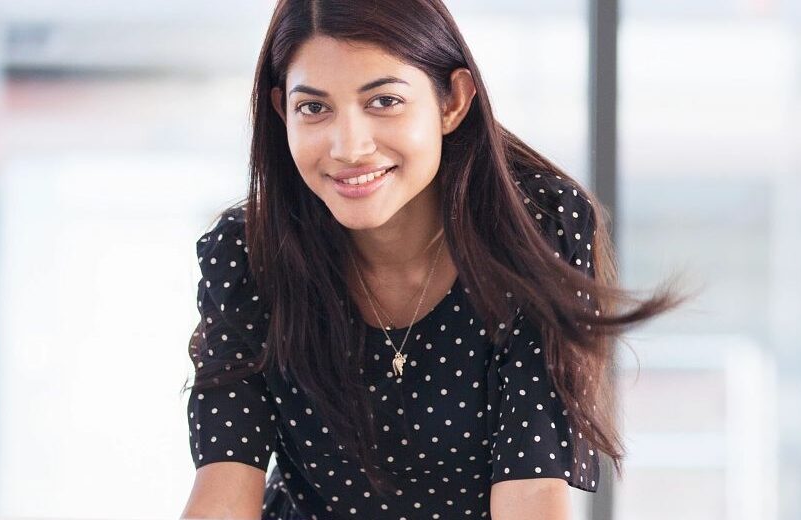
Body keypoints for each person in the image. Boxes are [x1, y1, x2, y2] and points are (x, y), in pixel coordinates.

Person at [178, 0, 683, 517]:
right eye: (314, 108)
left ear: (453, 101)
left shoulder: (538, 227)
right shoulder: (247, 251)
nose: (349, 146)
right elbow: (224, 481)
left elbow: (533, 491)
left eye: (384, 102)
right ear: (284, 110)